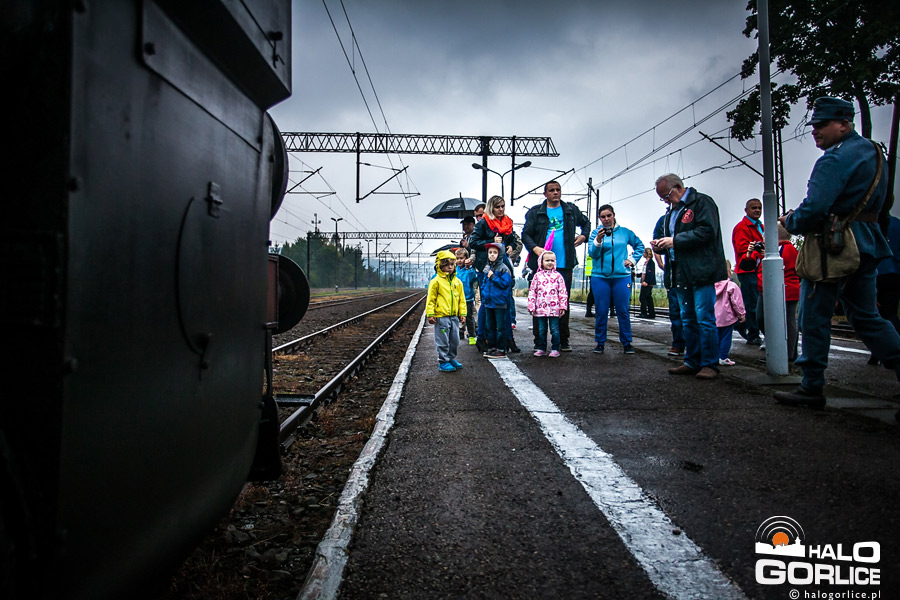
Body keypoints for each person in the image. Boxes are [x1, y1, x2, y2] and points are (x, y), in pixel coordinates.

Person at [775, 96, 900, 407]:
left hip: (834, 247)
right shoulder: (874, 153)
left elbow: (815, 208)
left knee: (812, 317)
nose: (815, 130)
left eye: (822, 124)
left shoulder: (834, 159)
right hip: (867, 243)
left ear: (844, 124)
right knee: (868, 318)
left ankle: (811, 386)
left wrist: (791, 222)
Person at [651, 173, 728, 380]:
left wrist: (675, 240)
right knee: (688, 319)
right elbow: (673, 239)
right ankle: (692, 361)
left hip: (701, 271)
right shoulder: (671, 213)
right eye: (662, 198)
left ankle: (709, 364)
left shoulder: (702, 203)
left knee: (704, 318)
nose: (665, 201)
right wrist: (661, 244)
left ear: (678, 187)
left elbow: (708, 231)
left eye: (666, 195)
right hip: (680, 272)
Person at [521, 180, 591, 351]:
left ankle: (562, 340)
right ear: (545, 194)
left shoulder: (570, 210)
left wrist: (584, 236)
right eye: (551, 190)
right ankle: (539, 342)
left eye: (558, 190)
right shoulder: (536, 212)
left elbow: (586, 223)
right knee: (539, 303)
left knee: (562, 303)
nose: (555, 192)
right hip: (541, 266)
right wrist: (535, 248)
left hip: (564, 264)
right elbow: (525, 235)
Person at [587, 204, 644, 354]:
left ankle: (627, 343)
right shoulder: (595, 233)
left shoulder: (625, 233)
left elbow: (640, 246)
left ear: (613, 215)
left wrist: (632, 260)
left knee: (623, 311)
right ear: (599, 218)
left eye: (609, 216)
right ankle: (600, 342)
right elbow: (593, 254)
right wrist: (598, 241)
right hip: (600, 277)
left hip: (621, 276)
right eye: (603, 217)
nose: (606, 219)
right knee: (601, 310)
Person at [470, 196, 520, 353]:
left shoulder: (507, 222)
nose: (501, 209)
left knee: (506, 301)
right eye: (498, 207)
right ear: (491, 207)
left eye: (503, 206)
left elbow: (512, 239)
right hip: (486, 266)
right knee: (486, 302)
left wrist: (510, 246)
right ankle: (482, 337)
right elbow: (473, 242)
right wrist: (491, 241)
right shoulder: (483, 223)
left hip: (502, 265)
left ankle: (507, 338)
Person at [755, 223, 800, 362]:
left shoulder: (783, 250)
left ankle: (787, 354)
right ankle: (787, 351)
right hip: (781, 290)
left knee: (785, 321)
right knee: (785, 320)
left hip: (782, 290)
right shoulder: (786, 249)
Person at [426, 250, 467, 372]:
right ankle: (443, 361)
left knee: (454, 340)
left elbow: (462, 299)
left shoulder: (457, 282)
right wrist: (430, 314)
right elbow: (431, 299)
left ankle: (451, 358)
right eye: (446, 265)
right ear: (440, 266)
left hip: (454, 317)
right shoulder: (436, 282)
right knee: (443, 340)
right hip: (441, 317)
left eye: (452, 265)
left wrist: (463, 313)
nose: (450, 267)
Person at [732, 198, 765, 345]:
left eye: (759, 208)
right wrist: (760, 252)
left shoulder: (760, 226)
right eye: (754, 208)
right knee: (752, 303)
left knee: (756, 302)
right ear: (746, 210)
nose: (757, 210)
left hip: (758, 269)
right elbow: (743, 249)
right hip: (748, 269)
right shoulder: (742, 227)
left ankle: (743, 325)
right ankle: (753, 333)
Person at [527, 251, 568, 357]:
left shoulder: (558, 276)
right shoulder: (537, 276)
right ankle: (541, 348)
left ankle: (555, 348)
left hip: (554, 309)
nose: (550, 263)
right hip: (540, 309)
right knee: (542, 330)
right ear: (541, 262)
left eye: (552, 260)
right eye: (547, 260)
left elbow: (563, 292)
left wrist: (563, 306)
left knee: (554, 329)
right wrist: (531, 306)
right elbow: (532, 292)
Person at [654, 213, 685, 357]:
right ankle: (678, 343)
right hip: (672, 274)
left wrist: (675, 241)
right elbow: (657, 245)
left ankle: (695, 348)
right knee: (675, 312)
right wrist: (658, 246)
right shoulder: (664, 220)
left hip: (690, 273)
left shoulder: (691, 216)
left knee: (694, 313)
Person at [480, 242, 512, 358]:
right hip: (489, 302)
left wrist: (493, 277)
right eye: (490, 252)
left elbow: (505, 284)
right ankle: (492, 347)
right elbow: (484, 284)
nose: (492, 255)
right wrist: (484, 295)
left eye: (495, 252)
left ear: (500, 254)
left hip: (500, 303)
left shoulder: (504, 269)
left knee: (500, 327)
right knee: (490, 326)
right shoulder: (487, 268)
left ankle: (501, 348)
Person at [714, 261, 746, 366]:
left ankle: (713, 356)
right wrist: (741, 314)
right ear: (728, 272)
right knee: (726, 337)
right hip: (727, 317)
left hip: (713, 317)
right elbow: (737, 302)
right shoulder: (732, 286)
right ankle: (723, 357)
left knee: (714, 337)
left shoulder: (710, 286)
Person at [455, 247, 478, 345]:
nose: (459, 261)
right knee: (457, 317)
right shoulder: (455, 270)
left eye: (461, 258)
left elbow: (474, 279)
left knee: (469, 318)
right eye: (457, 258)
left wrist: (469, 269)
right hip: (456, 298)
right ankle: (458, 332)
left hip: (467, 298)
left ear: (466, 259)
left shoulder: (470, 270)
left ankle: (472, 335)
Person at [638, 248, 657, 318]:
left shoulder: (650, 263)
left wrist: (646, 281)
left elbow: (650, 273)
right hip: (645, 282)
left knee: (643, 298)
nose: (643, 254)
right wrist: (637, 275)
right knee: (648, 298)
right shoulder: (646, 262)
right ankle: (651, 313)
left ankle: (644, 313)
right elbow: (644, 272)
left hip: (647, 283)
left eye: (644, 253)